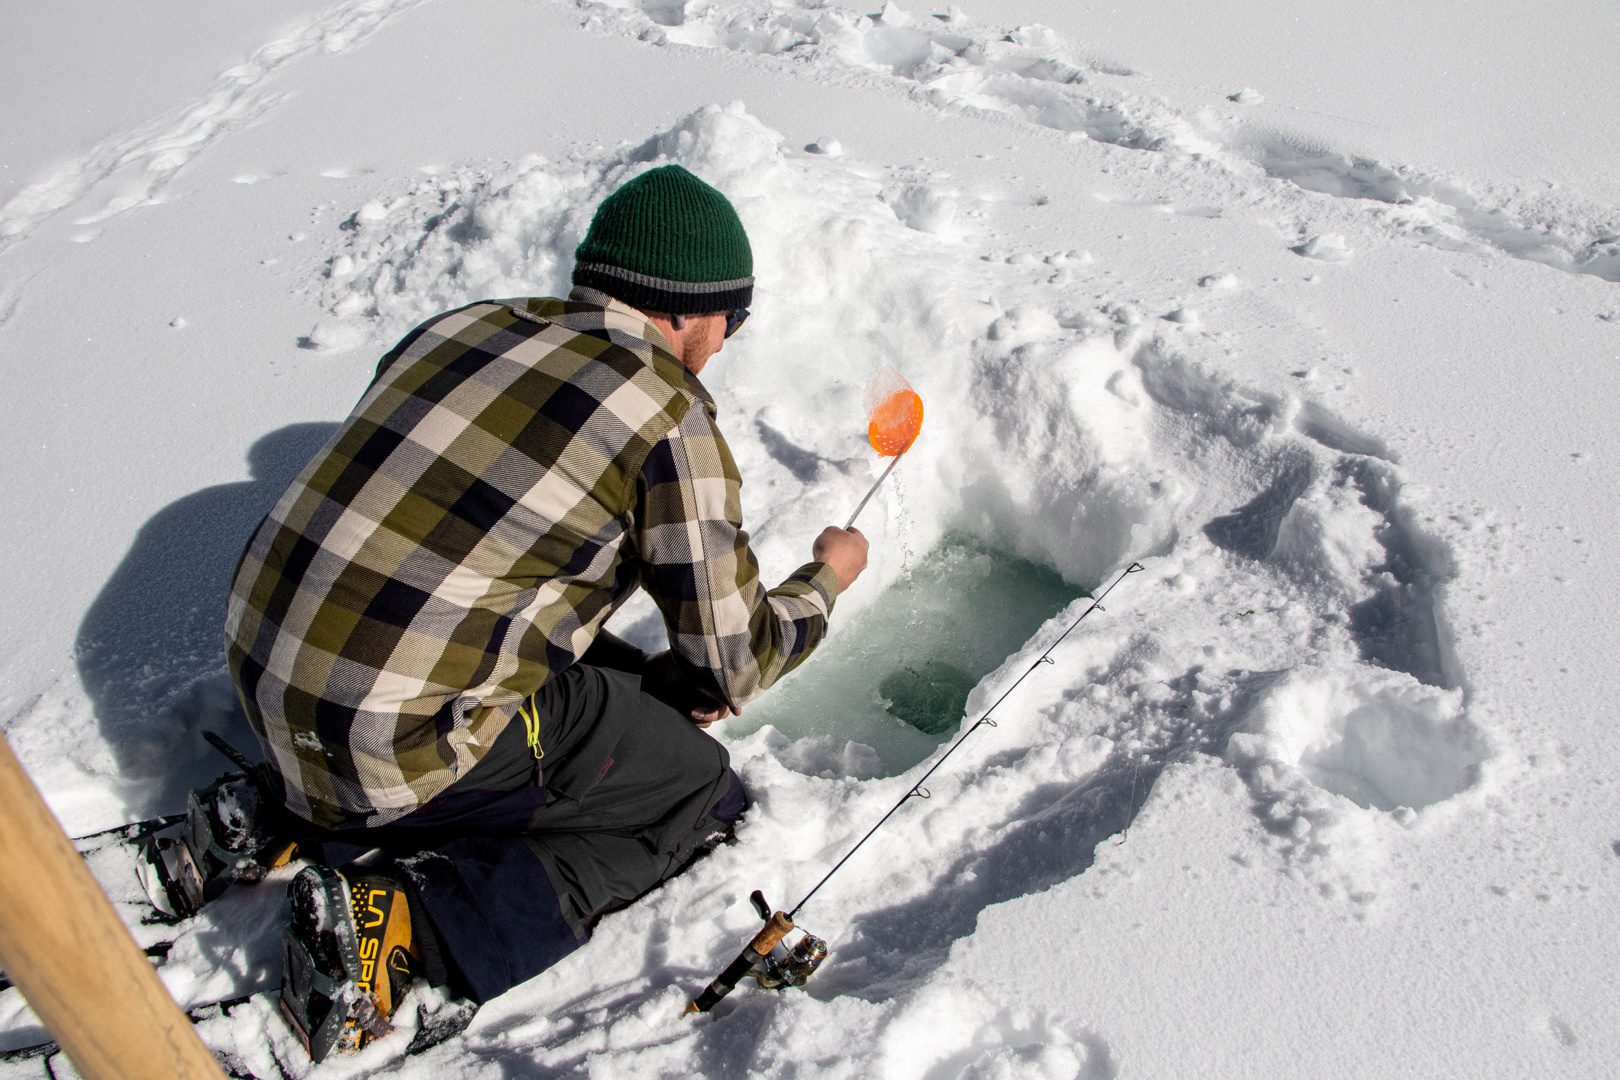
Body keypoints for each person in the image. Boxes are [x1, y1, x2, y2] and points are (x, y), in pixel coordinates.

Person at [221, 164, 869, 1060]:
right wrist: (827, 579)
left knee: (622, 686)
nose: (724, 344)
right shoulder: (668, 417)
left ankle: (278, 807)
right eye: (732, 320)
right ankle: (406, 924)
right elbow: (736, 661)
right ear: (689, 310)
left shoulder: (462, 328)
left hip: (265, 679)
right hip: (389, 744)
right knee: (691, 789)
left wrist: (655, 674)